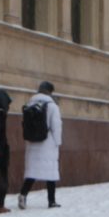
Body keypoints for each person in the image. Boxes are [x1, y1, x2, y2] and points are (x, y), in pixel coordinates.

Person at [18, 80, 64, 209]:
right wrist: (57, 142)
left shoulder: (30, 103)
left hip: (32, 142)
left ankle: (23, 194)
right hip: (47, 142)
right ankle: (51, 201)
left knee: (32, 172)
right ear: (50, 91)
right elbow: (56, 126)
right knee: (50, 173)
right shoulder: (52, 105)